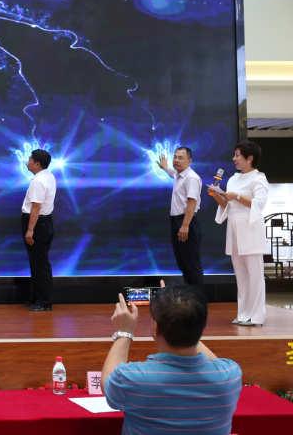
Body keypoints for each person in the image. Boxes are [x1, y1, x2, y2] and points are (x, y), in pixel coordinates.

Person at [102, 282, 242, 435]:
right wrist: (185, 319)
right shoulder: (230, 374)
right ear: (202, 325)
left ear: (156, 328)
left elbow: (107, 381)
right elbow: (214, 363)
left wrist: (124, 332)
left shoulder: (130, 378)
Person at [210, 141, 269, 326]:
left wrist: (236, 196)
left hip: (250, 228)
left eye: (237, 155)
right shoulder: (234, 179)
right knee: (241, 276)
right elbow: (227, 205)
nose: (234, 159)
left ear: (249, 158)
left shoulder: (258, 178)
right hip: (235, 228)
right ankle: (243, 313)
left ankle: (257, 315)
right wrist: (217, 195)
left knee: (255, 275)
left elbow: (259, 204)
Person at [158, 147, 204, 289]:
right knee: (183, 264)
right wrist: (165, 167)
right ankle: (189, 296)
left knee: (192, 265)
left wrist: (185, 225)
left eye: (180, 158)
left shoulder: (191, 178)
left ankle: (197, 298)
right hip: (177, 222)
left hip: (186, 222)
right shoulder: (179, 175)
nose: (176, 160)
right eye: (175, 157)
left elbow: (192, 203)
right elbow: (173, 174)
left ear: (189, 161)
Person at [22, 149, 56, 311]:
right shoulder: (49, 176)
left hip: (37, 224)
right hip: (44, 223)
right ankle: (36, 298)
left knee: (40, 264)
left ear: (37, 163)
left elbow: (36, 207)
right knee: (36, 263)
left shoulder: (38, 181)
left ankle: (44, 302)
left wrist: (30, 230)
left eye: (29, 160)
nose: (27, 162)